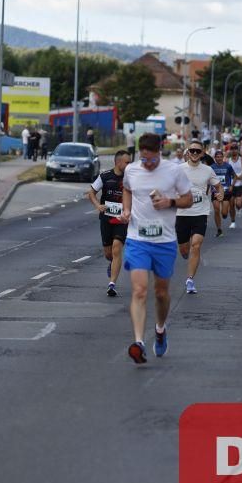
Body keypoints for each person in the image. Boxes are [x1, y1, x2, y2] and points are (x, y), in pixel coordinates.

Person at [120, 133, 193, 364]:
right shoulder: (132, 170)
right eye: (144, 159)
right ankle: (139, 342)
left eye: (152, 160)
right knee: (139, 290)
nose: (148, 164)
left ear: (159, 152)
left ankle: (160, 329)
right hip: (137, 238)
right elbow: (127, 189)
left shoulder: (174, 171)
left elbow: (188, 199)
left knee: (161, 293)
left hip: (164, 241)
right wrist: (126, 210)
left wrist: (170, 202)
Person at [177, 141, 221, 295]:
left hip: (200, 213)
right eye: (192, 150)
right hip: (182, 214)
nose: (195, 153)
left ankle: (190, 280)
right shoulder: (179, 169)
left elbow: (218, 186)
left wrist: (220, 194)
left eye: (198, 151)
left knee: (196, 245)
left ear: (202, 153)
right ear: (188, 152)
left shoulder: (208, 170)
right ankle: (185, 253)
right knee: (184, 249)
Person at [87, 151, 131, 298]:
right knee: (109, 253)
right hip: (106, 219)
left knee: (117, 248)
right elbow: (91, 192)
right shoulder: (105, 176)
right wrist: (98, 205)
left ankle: (112, 284)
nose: (129, 165)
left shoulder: (131, 178)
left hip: (122, 220)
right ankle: (112, 264)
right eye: (127, 162)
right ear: (118, 162)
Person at [210, 149, 235, 237]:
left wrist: (231, 185)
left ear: (223, 157)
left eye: (221, 157)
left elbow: (234, 176)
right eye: (217, 157)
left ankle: (224, 215)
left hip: (226, 191)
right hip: (215, 191)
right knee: (216, 210)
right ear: (215, 158)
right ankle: (219, 229)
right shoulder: (211, 167)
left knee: (224, 213)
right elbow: (208, 179)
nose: (219, 158)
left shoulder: (228, 166)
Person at [226, 146, 242, 228]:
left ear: (237, 151)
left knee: (238, 204)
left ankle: (239, 208)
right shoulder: (228, 160)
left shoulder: (241, 160)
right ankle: (233, 222)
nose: (234, 151)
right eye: (232, 149)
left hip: (239, 184)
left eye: (235, 149)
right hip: (231, 185)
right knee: (231, 204)